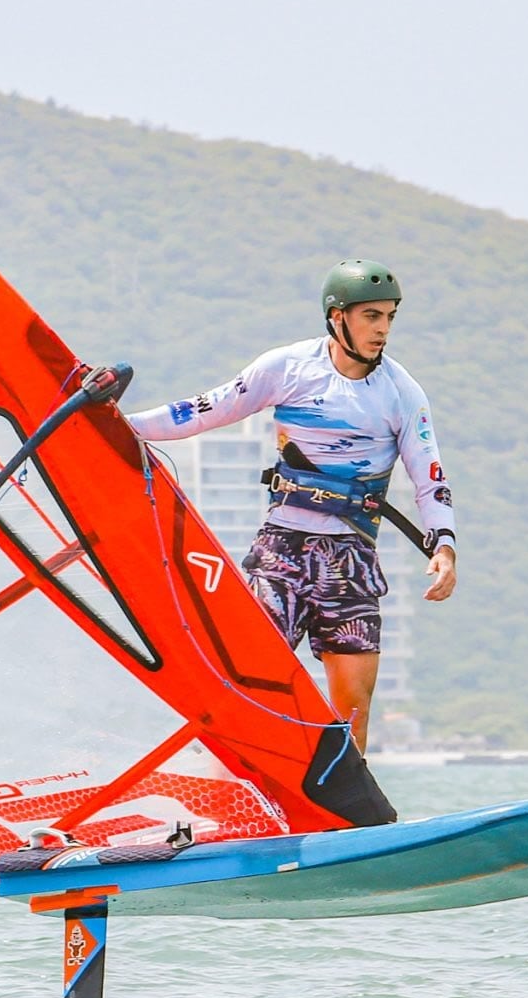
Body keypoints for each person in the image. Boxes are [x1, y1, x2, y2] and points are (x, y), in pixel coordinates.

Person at [127, 259, 457, 750]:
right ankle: (236, 799)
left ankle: (343, 821)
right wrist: (118, 424)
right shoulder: (287, 368)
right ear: (337, 316)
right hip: (282, 552)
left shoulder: (401, 392)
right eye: (372, 316)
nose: (383, 329)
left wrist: (444, 545)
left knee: (352, 712)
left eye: (390, 317)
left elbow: (430, 476)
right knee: (246, 689)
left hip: (350, 560)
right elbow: (204, 410)